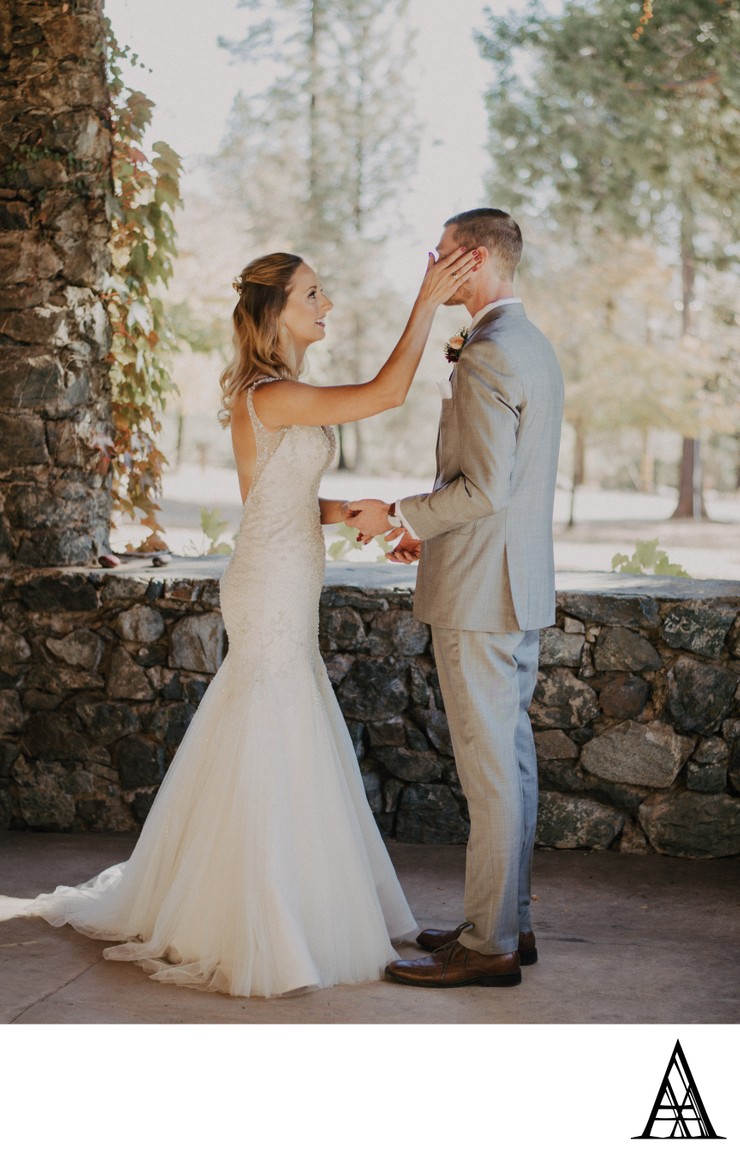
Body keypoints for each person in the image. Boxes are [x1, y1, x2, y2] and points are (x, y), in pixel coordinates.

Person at [15, 244, 479, 998]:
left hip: (283, 568)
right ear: (275, 314)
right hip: (268, 583)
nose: (326, 305)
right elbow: (389, 393)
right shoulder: (269, 395)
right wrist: (426, 300)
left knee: (276, 722)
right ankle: (261, 916)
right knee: (273, 721)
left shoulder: (279, 394)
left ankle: (287, 897)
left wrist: (350, 514)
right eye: (313, 295)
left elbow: (275, 497)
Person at [345, 208, 564, 989]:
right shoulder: (531, 346)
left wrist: (398, 514)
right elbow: (500, 491)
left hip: (480, 596)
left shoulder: (489, 353)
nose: (431, 264)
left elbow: (483, 488)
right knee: (513, 761)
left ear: (471, 260)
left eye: (439, 254)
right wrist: (428, 532)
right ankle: (513, 921)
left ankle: (488, 941)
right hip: (516, 583)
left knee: (489, 770)